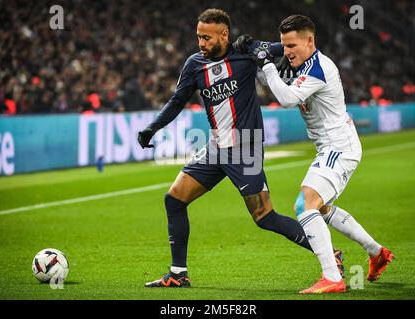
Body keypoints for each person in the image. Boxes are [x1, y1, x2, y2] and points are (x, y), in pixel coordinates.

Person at [137, 9, 344, 288]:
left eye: (207, 38)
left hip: (245, 148)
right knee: (174, 200)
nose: (201, 43)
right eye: (199, 37)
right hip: (214, 147)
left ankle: (330, 253)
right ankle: (177, 274)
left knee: (264, 217)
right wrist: (153, 127)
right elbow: (177, 101)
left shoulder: (244, 55)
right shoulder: (194, 64)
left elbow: (287, 49)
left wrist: (258, 46)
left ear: (224, 35)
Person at [238, 15, 394, 293]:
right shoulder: (302, 62)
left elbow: (285, 99)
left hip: (338, 146)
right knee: (319, 208)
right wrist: (253, 51)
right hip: (331, 146)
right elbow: (272, 71)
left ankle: (332, 278)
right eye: (284, 45)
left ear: (310, 41)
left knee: (304, 205)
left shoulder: (320, 67)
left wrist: (265, 62)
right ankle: (376, 252)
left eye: (292, 45)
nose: (286, 51)